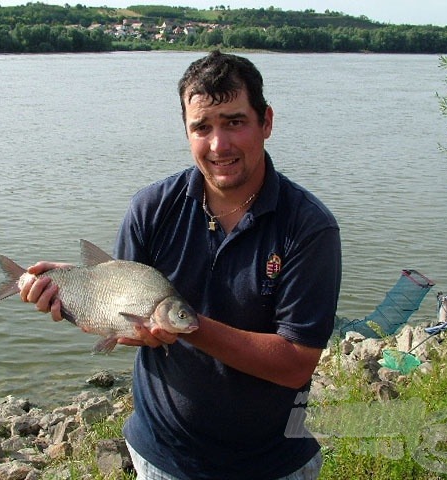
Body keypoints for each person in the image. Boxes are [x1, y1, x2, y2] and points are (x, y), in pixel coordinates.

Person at [20, 50, 341, 480]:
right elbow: (132, 321)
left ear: (266, 122)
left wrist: (189, 325)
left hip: (271, 463)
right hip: (161, 455)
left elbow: (296, 362)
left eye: (234, 122)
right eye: (202, 127)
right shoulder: (151, 208)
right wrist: (78, 292)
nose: (218, 145)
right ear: (186, 131)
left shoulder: (308, 228)